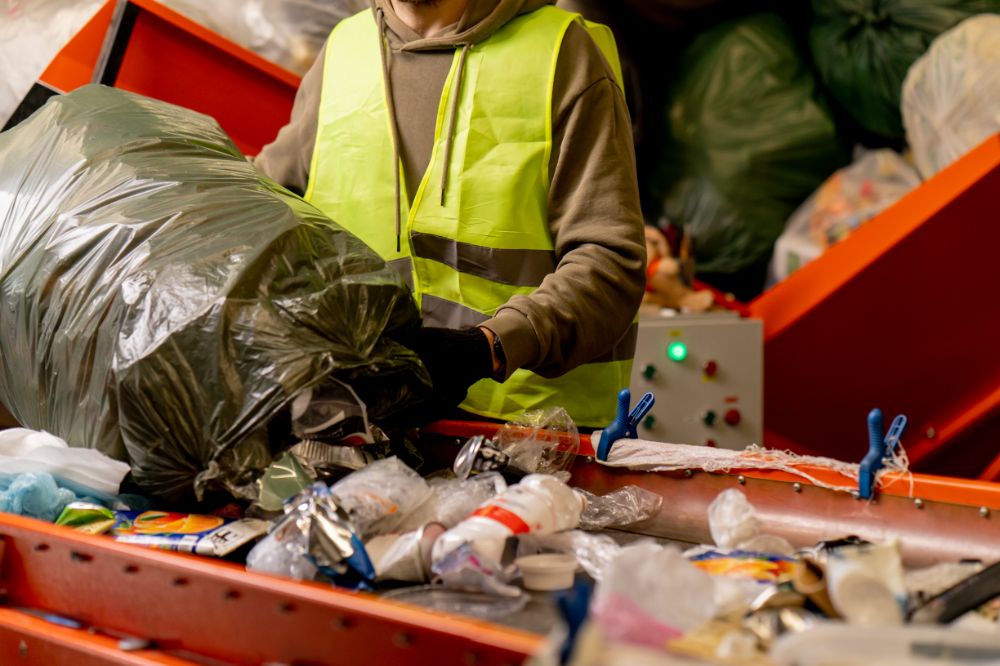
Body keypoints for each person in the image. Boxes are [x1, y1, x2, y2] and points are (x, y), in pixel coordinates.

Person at [256, 0, 645, 427]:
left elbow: (611, 263)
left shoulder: (561, 53)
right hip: (368, 426)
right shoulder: (345, 50)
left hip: (530, 440)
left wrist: (491, 347)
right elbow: (260, 212)